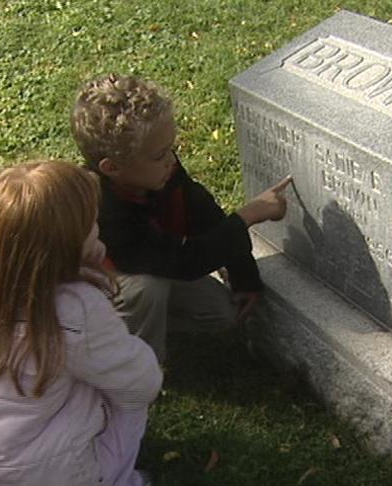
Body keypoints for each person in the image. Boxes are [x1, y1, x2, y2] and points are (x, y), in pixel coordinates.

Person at [0, 160, 162, 485]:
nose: (98, 226)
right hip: (45, 476)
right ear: (68, 246)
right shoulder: (76, 308)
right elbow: (141, 382)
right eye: (91, 223)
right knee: (127, 392)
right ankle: (118, 478)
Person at [70, 74, 290, 362]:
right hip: (105, 294)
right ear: (111, 167)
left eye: (171, 149)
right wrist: (249, 215)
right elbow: (184, 262)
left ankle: (147, 329)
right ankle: (133, 365)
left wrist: (243, 275)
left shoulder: (161, 169)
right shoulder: (104, 210)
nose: (171, 161)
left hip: (158, 264)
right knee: (147, 290)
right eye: (160, 155)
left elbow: (202, 212)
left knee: (220, 312)